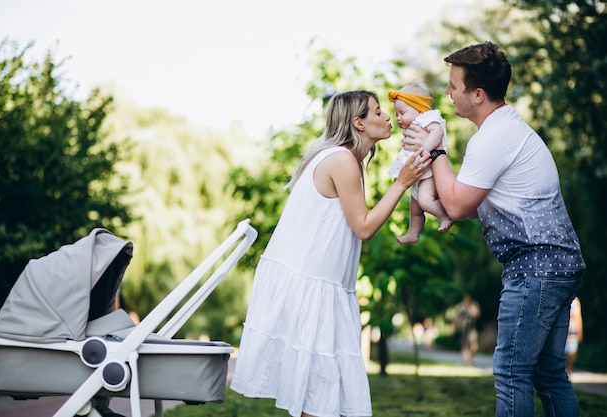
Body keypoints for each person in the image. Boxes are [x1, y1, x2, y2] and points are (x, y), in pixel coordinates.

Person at [402, 42, 586, 417]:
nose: (448, 92)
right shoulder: (506, 129)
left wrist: (434, 153)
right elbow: (466, 203)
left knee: (511, 372)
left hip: (536, 266)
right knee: (549, 374)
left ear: (478, 94)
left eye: (454, 86)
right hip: (557, 264)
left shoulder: (492, 139)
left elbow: (455, 204)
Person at [230, 90, 429, 417]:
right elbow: (364, 229)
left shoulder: (343, 159)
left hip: (321, 289)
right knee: (320, 402)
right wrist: (401, 182)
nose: (386, 117)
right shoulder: (341, 160)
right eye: (378, 112)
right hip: (310, 290)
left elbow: (352, 232)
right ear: (358, 123)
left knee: (324, 400)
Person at [388, 82, 452, 244]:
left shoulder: (428, 118)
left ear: (419, 108)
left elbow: (437, 132)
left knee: (424, 201)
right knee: (414, 208)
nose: (398, 118)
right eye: (396, 114)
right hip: (420, 173)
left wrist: (426, 146)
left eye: (402, 112)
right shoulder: (414, 126)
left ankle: (445, 215)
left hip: (429, 173)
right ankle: (413, 233)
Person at [454, 294, 480, 365]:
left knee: (474, 344)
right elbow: (457, 317)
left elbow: (477, 314)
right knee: (465, 345)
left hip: (471, 328)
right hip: (463, 328)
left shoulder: (473, 305)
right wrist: (454, 327)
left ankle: (471, 357)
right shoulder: (461, 306)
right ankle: (467, 360)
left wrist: (469, 309)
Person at [565, 297, 583, 379]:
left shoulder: (576, 301)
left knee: (571, 354)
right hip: (562, 333)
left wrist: (580, 333)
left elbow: (578, 318)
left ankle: (569, 370)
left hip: (572, 333)